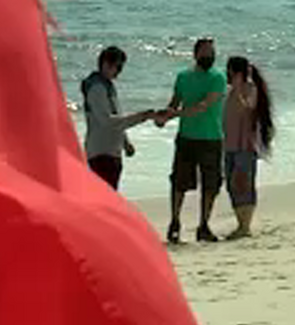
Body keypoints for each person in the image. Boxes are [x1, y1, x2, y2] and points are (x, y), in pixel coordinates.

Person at [158, 38, 227, 243]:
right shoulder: (183, 77)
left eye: (212, 52)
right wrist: (163, 116)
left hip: (211, 137)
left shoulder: (218, 77)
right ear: (196, 54)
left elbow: (203, 106)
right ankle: (174, 222)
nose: (209, 56)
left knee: (211, 184)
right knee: (178, 182)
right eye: (205, 52)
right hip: (186, 137)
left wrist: (175, 114)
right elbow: (174, 102)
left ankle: (203, 225)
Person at [79, 46, 160, 189]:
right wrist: (142, 116)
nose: (119, 72)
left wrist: (125, 142)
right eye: (118, 67)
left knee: (109, 195)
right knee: (105, 197)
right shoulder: (97, 87)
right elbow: (107, 121)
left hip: (110, 152)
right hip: (101, 153)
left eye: (121, 67)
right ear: (105, 64)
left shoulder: (107, 85)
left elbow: (116, 116)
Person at [222, 56, 275, 240]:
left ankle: (245, 226)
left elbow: (247, 109)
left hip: (245, 145)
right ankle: (241, 224)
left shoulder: (251, 89)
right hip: (229, 145)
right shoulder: (229, 91)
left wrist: (238, 89)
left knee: (243, 183)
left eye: (229, 70)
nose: (226, 74)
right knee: (231, 185)